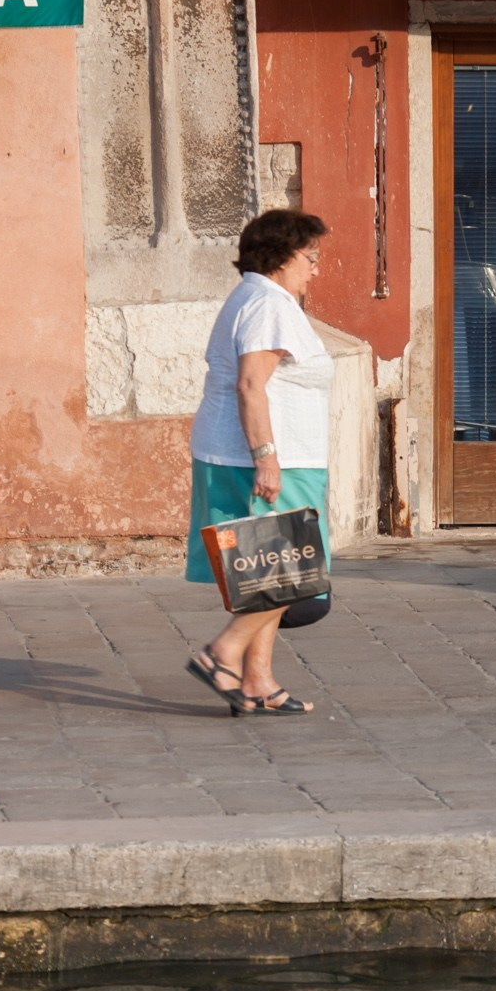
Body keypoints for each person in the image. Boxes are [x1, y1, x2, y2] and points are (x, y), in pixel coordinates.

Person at [183, 210, 332, 715]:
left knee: (267, 575)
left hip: (247, 454)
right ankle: (222, 653)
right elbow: (250, 385)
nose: (315, 268)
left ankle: (257, 682)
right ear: (283, 257)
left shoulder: (256, 297)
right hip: (267, 462)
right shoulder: (269, 304)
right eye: (310, 257)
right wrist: (266, 459)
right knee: (292, 572)